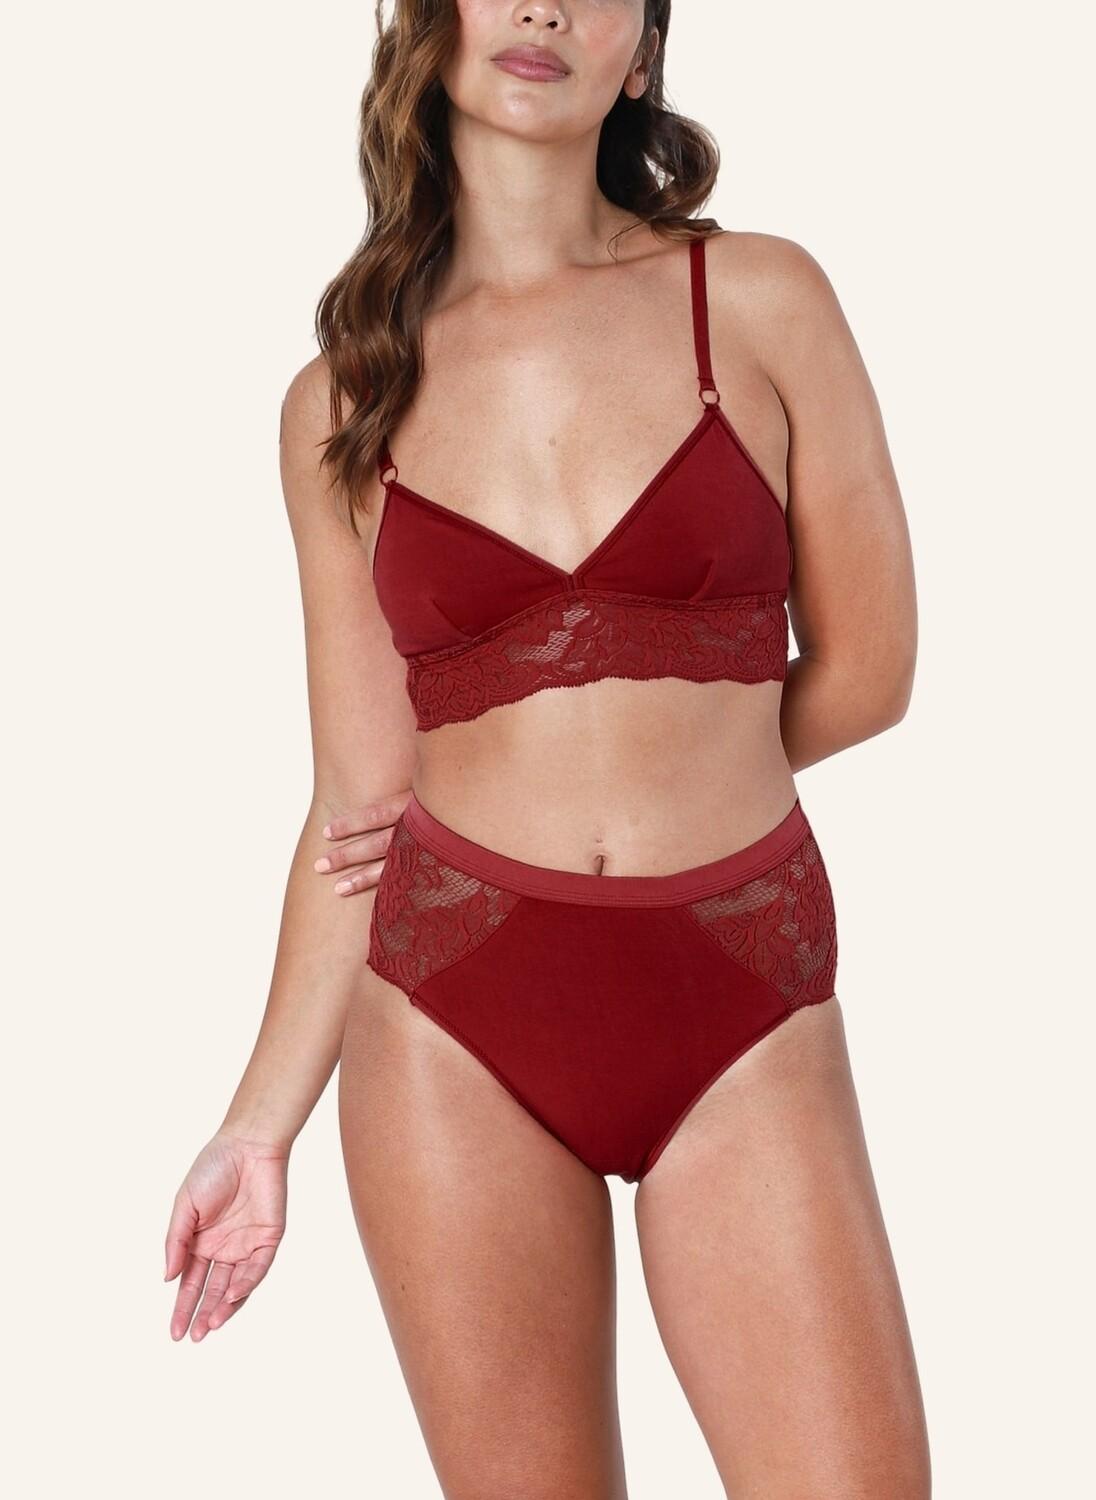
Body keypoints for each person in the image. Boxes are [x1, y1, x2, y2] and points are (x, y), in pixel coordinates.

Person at [164, 3, 928, 1494]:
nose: (542, 8)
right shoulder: (344, 406)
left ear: (640, 54)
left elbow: (873, 672)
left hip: (741, 979)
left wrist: (679, 757)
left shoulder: (756, 298)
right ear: (429, 22)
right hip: (455, 1010)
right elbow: (359, 802)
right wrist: (257, 1129)